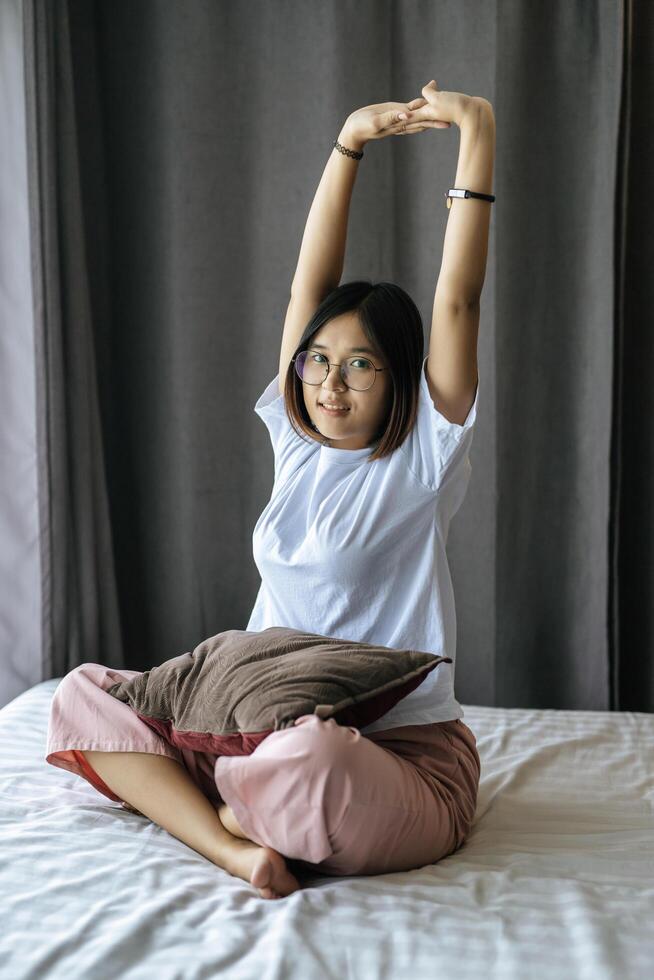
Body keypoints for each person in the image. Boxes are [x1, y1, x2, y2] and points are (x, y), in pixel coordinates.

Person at [46, 80, 495, 901]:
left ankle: (223, 805)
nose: (330, 384)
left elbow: (459, 297)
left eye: (360, 365)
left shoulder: (422, 455)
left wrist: (477, 132)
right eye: (319, 361)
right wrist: (348, 144)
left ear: (403, 383)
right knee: (81, 696)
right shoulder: (297, 439)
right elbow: (306, 288)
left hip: (391, 752)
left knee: (309, 761)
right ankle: (232, 843)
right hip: (252, 722)